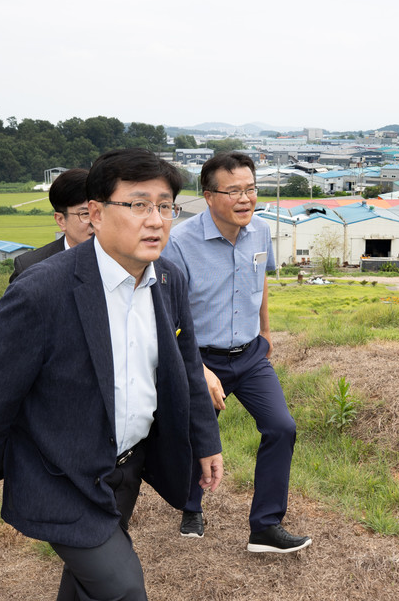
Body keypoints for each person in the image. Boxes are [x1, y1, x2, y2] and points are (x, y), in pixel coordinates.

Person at [0, 148, 223, 600]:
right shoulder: (43, 290)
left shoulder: (169, 278)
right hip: (61, 473)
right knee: (122, 587)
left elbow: (187, 366)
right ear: (94, 213)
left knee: (86, 583)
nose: (155, 220)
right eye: (138, 205)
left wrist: (206, 440)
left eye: (165, 206)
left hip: (125, 465)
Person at [163, 152, 311, 554]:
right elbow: (168, 313)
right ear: (209, 196)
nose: (245, 199)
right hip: (200, 357)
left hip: (249, 355)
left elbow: (258, 279)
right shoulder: (179, 243)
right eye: (234, 191)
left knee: (282, 427)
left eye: (251, 189)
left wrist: (264, 332)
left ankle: (265, 526)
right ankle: (191, 508)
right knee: (198, 432)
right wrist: (197, 367)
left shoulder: (261, 231)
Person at [10, 167, 92, 282]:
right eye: (85, 214)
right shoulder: (30, 268)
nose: (96, 221)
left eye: (100, 212)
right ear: (61, 220)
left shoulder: (122, 259)